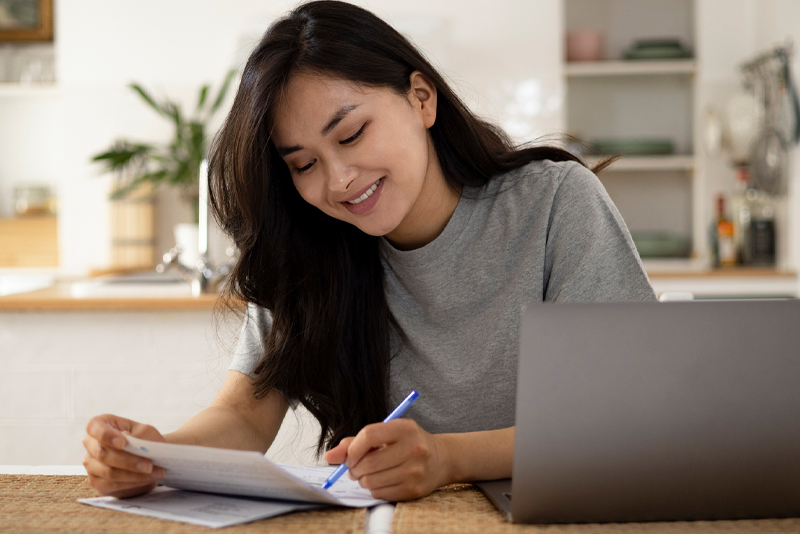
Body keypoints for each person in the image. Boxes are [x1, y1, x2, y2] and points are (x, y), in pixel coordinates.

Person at [82, 0, 655, 502]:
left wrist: (448, 459)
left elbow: (621, 413)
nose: (338, 181)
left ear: (421, 99)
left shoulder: (555, 204)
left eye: (351, 134)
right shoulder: (308, 248)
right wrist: (158, 455)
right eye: (304, 164)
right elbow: (243, 414)